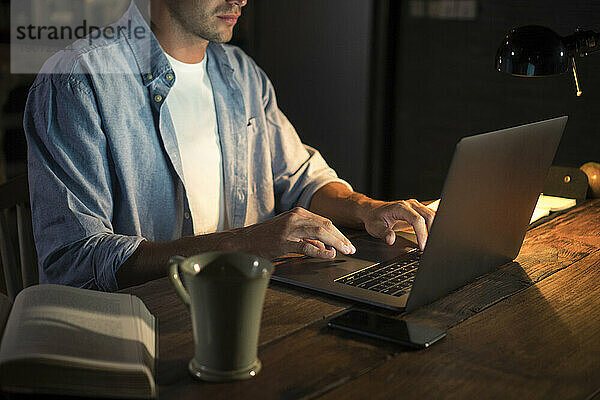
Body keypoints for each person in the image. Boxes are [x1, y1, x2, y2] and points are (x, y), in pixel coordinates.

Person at [24, 0, 435, 291]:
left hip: (249, 305)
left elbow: (301, 178)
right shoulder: (78, 79)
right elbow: (75, 261)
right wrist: (242, 242)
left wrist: (365, 208)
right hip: (142, 334)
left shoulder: (241, 73)